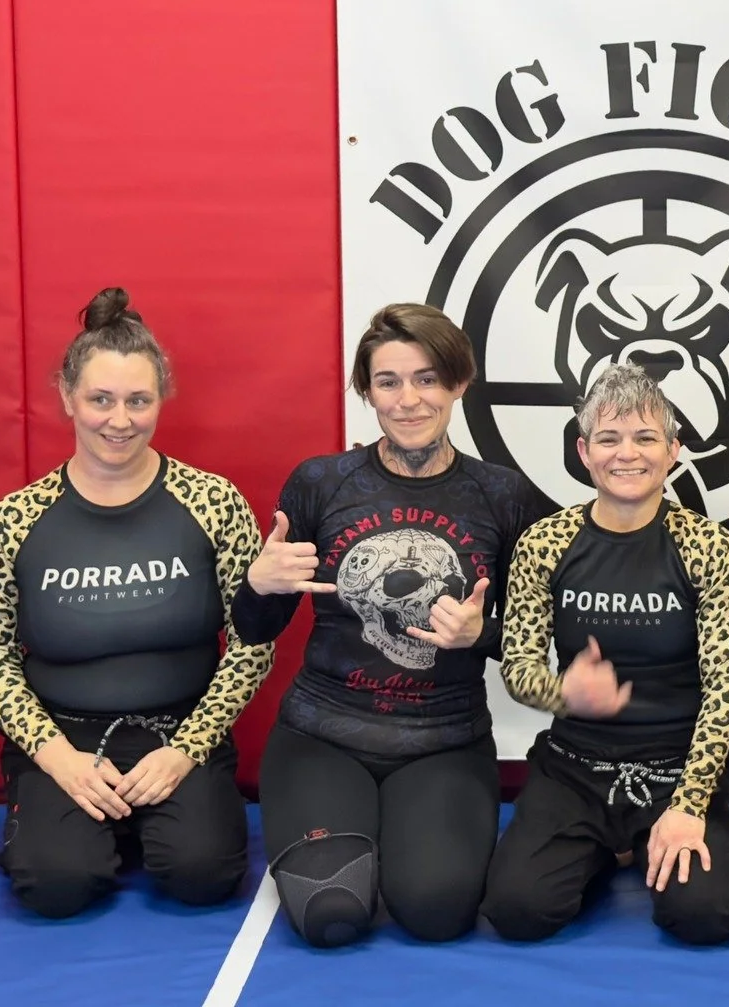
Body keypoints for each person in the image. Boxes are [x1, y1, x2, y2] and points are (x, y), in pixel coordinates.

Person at [235, 302, 551, 947]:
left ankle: (401, 838)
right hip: (321, 735)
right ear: (367, 391)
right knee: (332, 915)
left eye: (427, 379)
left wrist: (481, 635)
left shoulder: (504, 496)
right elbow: (256, 628)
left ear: (459, 383)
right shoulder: (320, 483)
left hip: (444, 740)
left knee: (437, 913)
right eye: (388, 382)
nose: (408, 400)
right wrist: (259, 585)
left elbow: (537, 639)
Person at [0, 288, 272, 918]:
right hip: (62, 737)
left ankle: (150, 816)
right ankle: (78, 823)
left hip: (180, 732)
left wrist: (188, 749)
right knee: (56, 886)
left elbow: (252, 642)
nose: (119, 419)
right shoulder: (14, 518)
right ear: (67, 397)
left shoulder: (214, 502)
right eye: (100, 399)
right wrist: (57, 758)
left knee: (203, 874)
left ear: (161, 399)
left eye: (138, 400)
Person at [480, 364, 729, 944]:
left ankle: (644, 837)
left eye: (645, 438)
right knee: (517, 910)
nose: (627, 454)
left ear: (673, 450)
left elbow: (725, 689)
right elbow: (519, 664)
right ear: (584, 452)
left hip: (677, 768)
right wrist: (562, 694)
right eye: (608, 438)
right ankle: (604, 850)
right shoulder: (545, 543)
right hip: (574, 767)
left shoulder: (710, 547)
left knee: (704, 917)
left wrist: (689, 805)